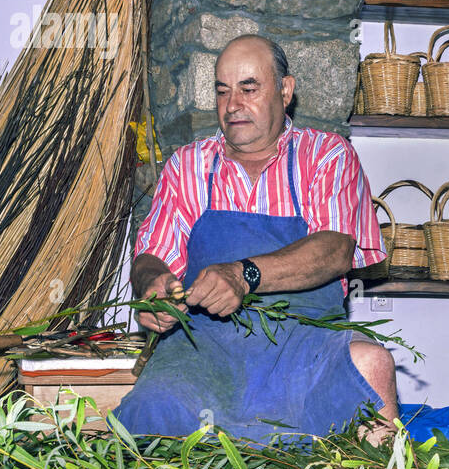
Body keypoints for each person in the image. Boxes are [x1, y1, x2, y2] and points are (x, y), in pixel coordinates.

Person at [113, 34, 396, 444]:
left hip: (305, 345)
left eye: (249, 88)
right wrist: (152, 286)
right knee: (153, 407)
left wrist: (244, 274)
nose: (232, 105)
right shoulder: (188, 166)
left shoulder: (327, 155)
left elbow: (335, 251)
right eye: (223, 91)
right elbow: (150, 257)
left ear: (285, 90)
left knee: (372, 364)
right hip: (204, 353)